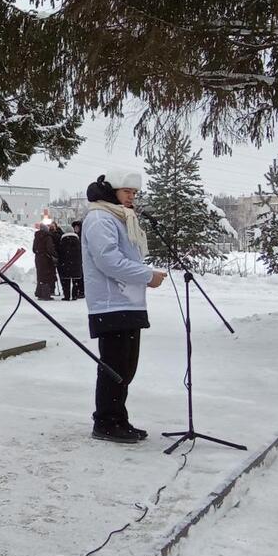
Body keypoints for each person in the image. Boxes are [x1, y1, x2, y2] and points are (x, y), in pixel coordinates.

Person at [81, 169, 167, 443]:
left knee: (127, 367)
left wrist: (143, 276)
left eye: (134, 193)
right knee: (114, 367)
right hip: (110, 303)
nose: (132, 197)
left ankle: (118, 418)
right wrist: (147, 276)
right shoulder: (100, 218)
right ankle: (106, 421)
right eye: (127, 192)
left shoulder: (119, 217)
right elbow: (108, 261)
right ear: (112, 191)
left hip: (128, 302)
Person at [58, 223, 83, 301]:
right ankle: (74, 295)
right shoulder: (77, 240)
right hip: (76, 263)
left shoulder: (63, 240)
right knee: (75, 280)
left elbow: (60, 252)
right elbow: (80, 251)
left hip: (65, 263)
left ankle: (67, 296)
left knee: (66, 281)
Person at [33, 222, 58, 300]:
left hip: (38, 259)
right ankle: (46, 294)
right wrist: (55, 255)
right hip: (46, 259)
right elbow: (50, 249)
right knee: (47, 277)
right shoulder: (47, 237)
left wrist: (39, 252)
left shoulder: (37, 237)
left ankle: (39, 293)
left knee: (40, 276)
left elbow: (34, 249)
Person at [71, 219, 86, 299]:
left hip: (81, 258)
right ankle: (77, 290)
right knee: (76, 276)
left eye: (77, 227)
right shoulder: (73, 236)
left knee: (81, 275)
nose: (76, 229)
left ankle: (81, 291)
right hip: (76, 259)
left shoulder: (82, 236)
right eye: (75, 227)